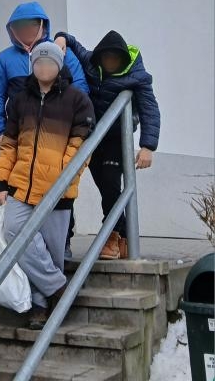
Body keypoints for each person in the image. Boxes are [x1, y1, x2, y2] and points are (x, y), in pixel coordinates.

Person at [0, 41, 95, 330]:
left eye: (50, 62)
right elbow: (9, 145)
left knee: (51, 250)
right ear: (32, 66)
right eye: (38, 62)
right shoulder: (20, 100)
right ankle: (59, 288)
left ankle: (40, 306)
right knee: (14, 230)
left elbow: (80, 147)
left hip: (57, 190)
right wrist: (1, 181)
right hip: (22, 187)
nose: (44, 67)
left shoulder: (77, 100)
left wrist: (63, 180)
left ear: (59, 66)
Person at [0, 1, 89, 259]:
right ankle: (48, 271)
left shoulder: (63, 52)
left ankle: (63, 242)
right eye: (20, 26)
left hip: (58, 136)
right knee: (19, 214)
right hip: (23, 136)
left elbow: (80, 89)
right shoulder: (6, 58)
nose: (26, 30)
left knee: (59, 199)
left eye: (31, 25)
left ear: (42, 25)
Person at [54, 29, 160, 260]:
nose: (110, 62)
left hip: (117, 137)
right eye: (106, 57)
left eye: (115, 58)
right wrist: (61, 38)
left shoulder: (137, 76)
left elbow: (150, 108)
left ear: (123, 59)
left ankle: (111, 235)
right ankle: (125, 234)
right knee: (104, 186)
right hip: (93, 137)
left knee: (111, 184)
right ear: (100, 57)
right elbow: (74, 44)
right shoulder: (92, 63)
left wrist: (148, 146)